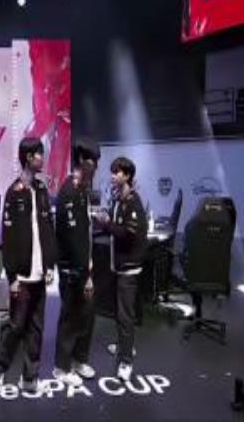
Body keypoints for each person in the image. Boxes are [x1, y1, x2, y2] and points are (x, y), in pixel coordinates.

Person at [0, 136, 57, 393]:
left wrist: (49, 265)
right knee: (16, 326)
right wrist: (12, 278)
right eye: (39, 154)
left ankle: (29, 377)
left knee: (36, 328)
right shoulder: (13, 192)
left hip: (40, 273)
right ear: (28, 158)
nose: (43, 158)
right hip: (22, 276)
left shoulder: (42, 190)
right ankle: (0, 369)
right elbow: (7, 239)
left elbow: (47, 230)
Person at [94, 157, 147, 382]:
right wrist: (105, 220)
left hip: (129, 269)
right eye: (112, 172)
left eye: (117, 172)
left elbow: (126, 234)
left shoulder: (133, 202)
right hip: (118, 266)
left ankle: (126, 360)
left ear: (127, 175)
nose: (112, 176)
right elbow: (115, 225)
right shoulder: (119, 198)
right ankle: (124, 345)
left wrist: (106, 223)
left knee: (126, 316)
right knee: (119, 312)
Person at [53, 138, 100, 386]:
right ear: (82, 160)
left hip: (84, 266)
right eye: (93, 161)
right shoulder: (68, 192)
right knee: (71, 317)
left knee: (87, 315)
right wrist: (86, 275)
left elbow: (85, 232)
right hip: (73, 269)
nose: (96, 167)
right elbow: (73, 240)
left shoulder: (83, 190)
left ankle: (79, 359)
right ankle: (61, 367)